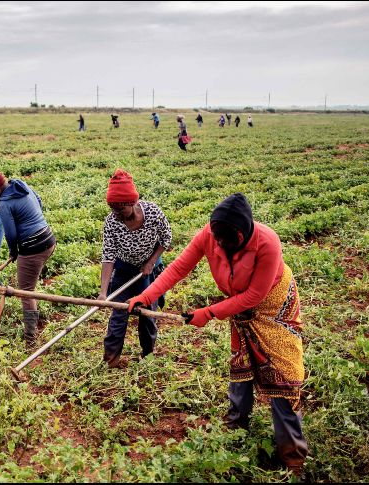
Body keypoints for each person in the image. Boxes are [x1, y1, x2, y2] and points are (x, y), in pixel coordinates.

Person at [128, 193, 308, 475]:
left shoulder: (267, 242)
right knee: (241, 363)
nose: (220, 247)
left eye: (227, 242)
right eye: (217, 240)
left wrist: (209, 312)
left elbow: (254, 295)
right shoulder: (210, 235)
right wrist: (146, 295)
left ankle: (292, 455)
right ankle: (237, 423)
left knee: (283, 374)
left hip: (273, 307)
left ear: (241, 234)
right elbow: (178, 268)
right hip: (238, 305)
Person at [99, 169, 172, 368]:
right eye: (113, 210)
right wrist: (103, 292)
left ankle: (147, 355)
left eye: (120, 211)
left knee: (147, 315)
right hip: (124, 271)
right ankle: (110, 360)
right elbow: (108, 256)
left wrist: (151, 262)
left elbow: (166, 239)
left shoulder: (153, 213)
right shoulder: (111, 222)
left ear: (131, 203)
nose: (117, 215)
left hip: (148, 271)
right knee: (118, 313)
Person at [0, 167, 56, 347]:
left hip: (33, 248)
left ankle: (31, 338)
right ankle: (33, 327)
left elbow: (11, 234)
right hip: (48, 239)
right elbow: (39, 200)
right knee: (30, 287)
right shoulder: (20, 184)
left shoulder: (5, 203)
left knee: (26, 291)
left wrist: (14, 251)